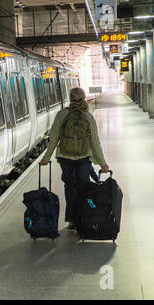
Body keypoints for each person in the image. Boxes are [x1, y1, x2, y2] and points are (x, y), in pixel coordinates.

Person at [40, 87, 108, 230]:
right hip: (84, 158)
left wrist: (46, 158)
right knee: (83, 187)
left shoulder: (61, 114)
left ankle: (71, 220)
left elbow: (53, 138)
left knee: (69, 187)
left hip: (65, 157)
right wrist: (102, 163)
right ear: (83, 99)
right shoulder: (88, 117)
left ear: (69, 99)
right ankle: (83, 217)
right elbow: (95, 142)